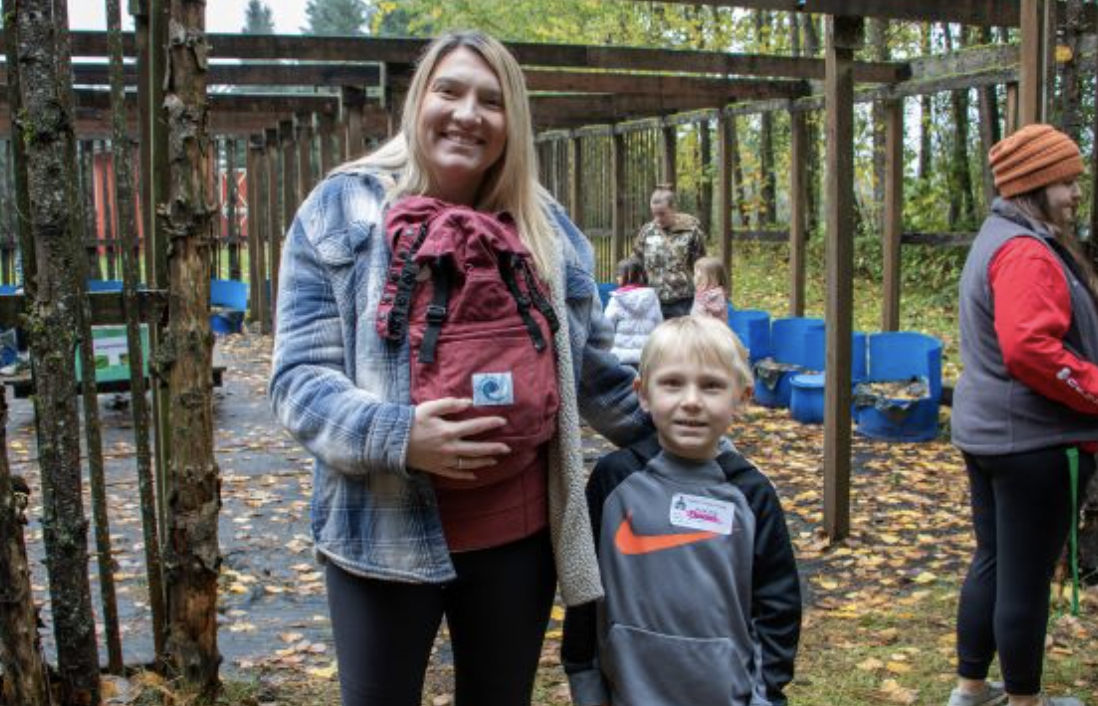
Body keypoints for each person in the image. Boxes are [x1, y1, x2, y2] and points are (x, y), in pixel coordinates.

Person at [269, 31, 651, 706]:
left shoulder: (546, 229)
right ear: (419, 101)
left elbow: (588, 371)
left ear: (513, 123)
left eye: (491, 100)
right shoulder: (340, 208)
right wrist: (398, 435)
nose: (468, 114)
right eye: (449, 91)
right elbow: (298, 381)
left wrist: (691, 444)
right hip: (378, 535)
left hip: (519, 537)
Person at [561, 316, 802, 706]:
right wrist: (584, 680)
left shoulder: (752, 495)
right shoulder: (612, 482)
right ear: (643, 393)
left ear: (741, 398)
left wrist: (765, 694)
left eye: (711, 386)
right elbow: (584, 588)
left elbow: (777, 605)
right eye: (672, 383)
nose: (691, 401)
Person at [949, 124, 1098, 706]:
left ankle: (971, 689)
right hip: (1035, 440)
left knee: (993, 558)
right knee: (1027, 575)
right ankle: (1024, 701)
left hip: (993, 432)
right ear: (1036, 184)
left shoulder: (1001, 235)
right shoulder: (1026, 252)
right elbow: (1031, 349)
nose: (1076, 193)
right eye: (1066, 181)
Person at [632, 185, 707, 320]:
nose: (658, 218)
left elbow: (701, 265)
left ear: (673, 208)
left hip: (682, 301)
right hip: (653, 300)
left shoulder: (691, 232)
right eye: (654, 214)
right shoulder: (647, 231)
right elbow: (637, 260)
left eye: (662, 214)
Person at [604, 257, 662, 367]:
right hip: (646, 355)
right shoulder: (652, 297)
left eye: (619, 275)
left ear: (627, 276)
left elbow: (607, 325)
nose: (617, 278)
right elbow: (659, 324)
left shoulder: (617, 299)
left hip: (620, 356)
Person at [691, 255, 730, 321]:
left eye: (700, 277)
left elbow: (717, 309)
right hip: (700, 327)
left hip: (711, 329)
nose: (695, 278)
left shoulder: (716, 294)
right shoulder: (705, 292)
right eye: (695, 274)